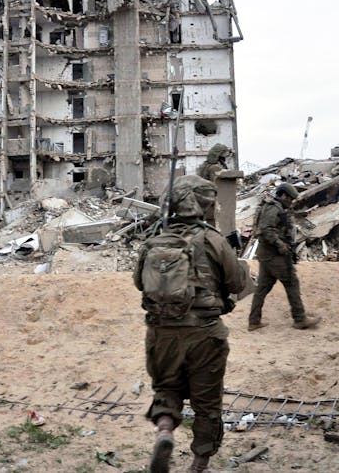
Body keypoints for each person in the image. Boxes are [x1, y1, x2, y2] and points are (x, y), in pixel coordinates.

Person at [133, 175, 245, 473]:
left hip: (161, 332)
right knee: (207, 402)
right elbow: (237, 281)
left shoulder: (154, 241)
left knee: (166, 388)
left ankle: (165, 431)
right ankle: (198, 464)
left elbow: (138, 284)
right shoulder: (213, 239)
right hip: (204, 333)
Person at [248, 183, 320, 331]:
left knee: (262, 288)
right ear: (284, 195)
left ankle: (254, 321)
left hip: (267, 255)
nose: (291, 202)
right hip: (274, 255)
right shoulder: (274, 208)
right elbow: (266, 229)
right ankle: (300, 318)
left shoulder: (276, 207)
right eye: (290, 199)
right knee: (292, 282)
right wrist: (280, 244)